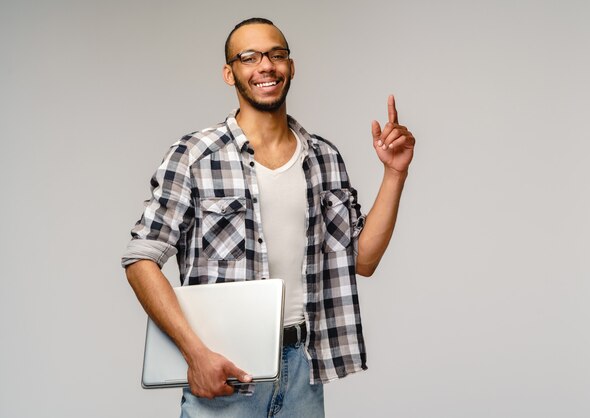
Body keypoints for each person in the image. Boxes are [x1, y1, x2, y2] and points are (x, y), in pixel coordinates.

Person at [122, 17, 415, 417]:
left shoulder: (323, 158)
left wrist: (395, 173)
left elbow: (362, 260)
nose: (266, 66)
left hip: (302, 372)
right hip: (225, 374)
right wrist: (195, 355)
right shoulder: (195, 156)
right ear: (230, 73)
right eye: (249, 57)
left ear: (291, 67)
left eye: (277, 55)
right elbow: (141, 259)